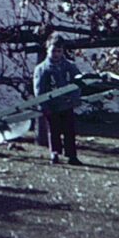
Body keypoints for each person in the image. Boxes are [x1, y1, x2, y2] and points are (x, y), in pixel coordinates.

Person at [33, 33, 83, 165]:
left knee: (69, 131)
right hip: (52, 106)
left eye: (59, 51)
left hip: (66, 104)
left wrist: (73, 99)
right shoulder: (42, 69)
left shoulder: (69, 67)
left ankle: (71, 155)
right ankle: (54, 153)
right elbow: (39, 90)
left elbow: (78, 83)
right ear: (47, 50)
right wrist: (44, 106)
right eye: (53, 51)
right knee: (54, 130)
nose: (56, 54)